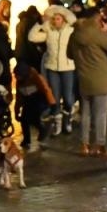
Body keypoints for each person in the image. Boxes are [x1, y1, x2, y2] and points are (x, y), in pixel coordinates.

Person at [69, 9, 107, 156]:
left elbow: (69, 54)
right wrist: (105, 32)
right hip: (101, 79)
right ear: (96, 19)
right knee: (101, 114)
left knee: (85, 113)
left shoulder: (75, 34)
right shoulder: (97, 34)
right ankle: (100, 146)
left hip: (83, 78)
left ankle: (84, 145)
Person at [30, 7, 78, 136]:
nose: (56, 21)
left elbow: (77, 30)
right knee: (54, 99)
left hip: (67, 68)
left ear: (63, 20)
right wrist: (40, 23)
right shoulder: (49, 31)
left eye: (58, 19)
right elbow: (32, 37)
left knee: (68, 99)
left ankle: (67, 120)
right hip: (52, 68)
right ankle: (58, 125)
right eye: (54, 19)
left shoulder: (69, 30)